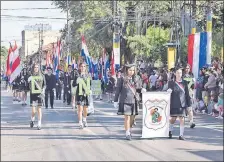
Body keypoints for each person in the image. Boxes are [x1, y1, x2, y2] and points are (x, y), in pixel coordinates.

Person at [114, 63, 144, 140]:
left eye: (133, 70)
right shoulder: (122, 79)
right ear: (127, 70)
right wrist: (115, 100)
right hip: (125, 101)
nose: (131, 72)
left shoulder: (137, 79)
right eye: (130, 70)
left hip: (134, 101)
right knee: (127, 117)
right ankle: (127, 133)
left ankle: (129, 129)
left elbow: (139, 88)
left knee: (132, 118)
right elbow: (118, 90)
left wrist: (142, 90)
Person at [167, 66, 191, 140]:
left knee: (182, 118)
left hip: (182, 103)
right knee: (173, 119)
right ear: (175, 73)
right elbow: (166, 92)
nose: (179, 74)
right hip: (174, 103)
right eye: (177, 73)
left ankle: (181, 135)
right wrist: (168, 91)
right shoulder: (171, 83)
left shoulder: (184, 83)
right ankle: (170, 130)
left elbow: (187, 94)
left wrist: (189, 105)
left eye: (180, 73)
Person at [73, 62, 92, 129]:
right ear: (79, 67)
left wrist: (89, 91)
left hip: (86, 94)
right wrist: (76, 81)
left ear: (85, 67)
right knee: (80, 109)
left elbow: (90, 84)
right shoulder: (77, 75)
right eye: (81, 66)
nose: (83, 68)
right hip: (79, 94)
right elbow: (73, 84)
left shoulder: (88, 75)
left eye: (84, 66)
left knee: (85, 109)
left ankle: (84, 119)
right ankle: (80, 122)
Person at [28, 64, 44, 130]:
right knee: (34, 111)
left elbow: (44, 84)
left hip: (39, 94)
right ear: (33, 68)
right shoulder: (30, 76)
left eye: (37, 67)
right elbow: (28, 86)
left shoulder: (42, 76)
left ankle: (39, 124)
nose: (36, 68)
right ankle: (32, 120)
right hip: (33, 95)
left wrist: (43, 90)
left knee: (39, 109)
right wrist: (29, 81)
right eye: (35, 67)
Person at [183, 64, 196, 128]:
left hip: (189, 93)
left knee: (190, 108)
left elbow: (193, 87)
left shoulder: (191, 75)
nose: (187, 69)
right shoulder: (182, 75)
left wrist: (193, 94)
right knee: (182, 109)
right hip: (182, 94)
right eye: (186, 68)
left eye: (188, 68)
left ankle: (191, 122)